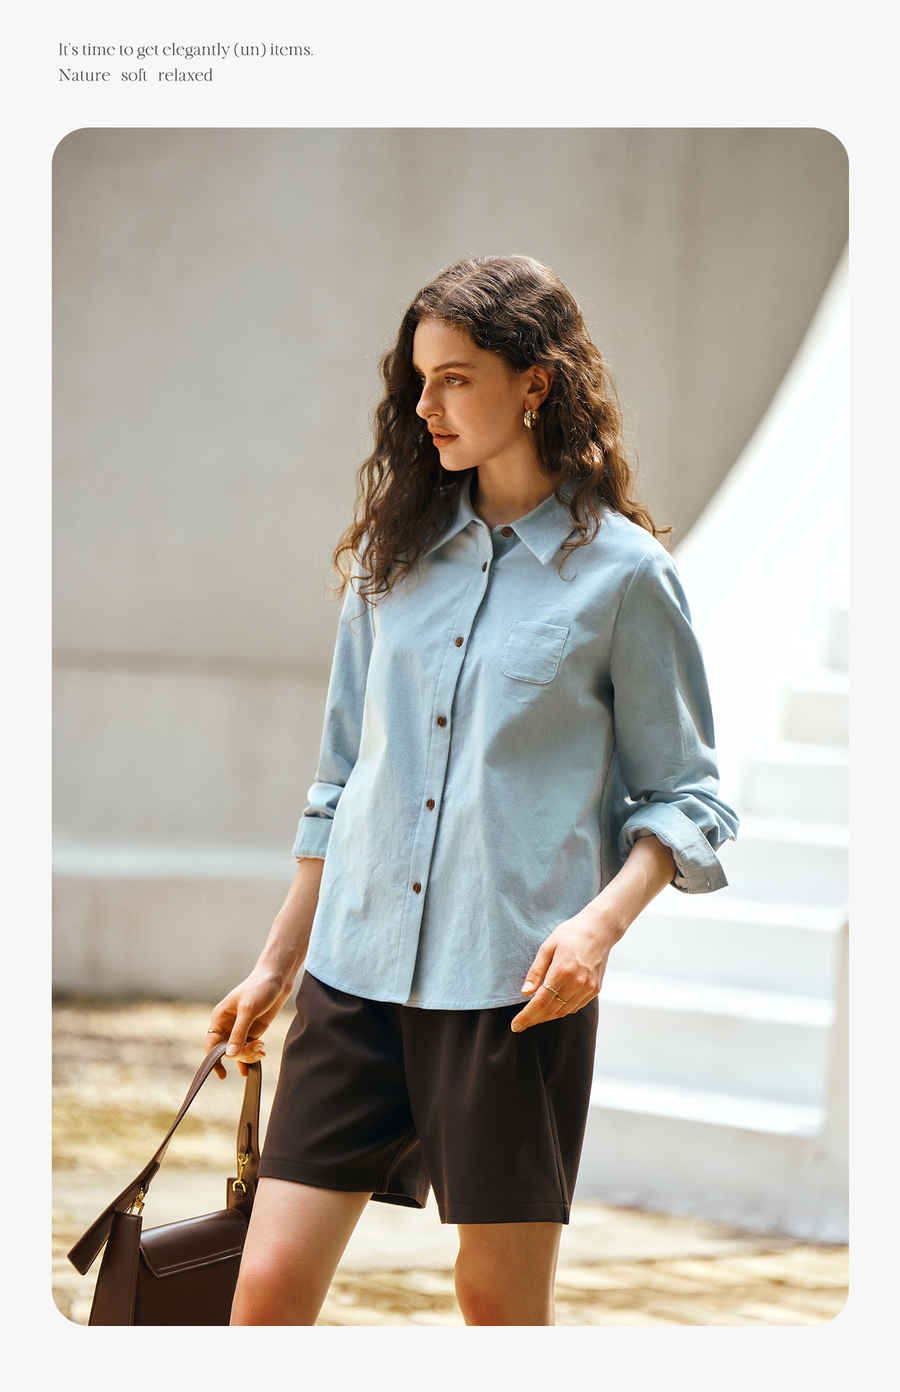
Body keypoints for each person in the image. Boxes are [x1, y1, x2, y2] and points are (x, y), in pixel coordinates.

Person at [205, 255, 739, 1326]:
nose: (426, 406)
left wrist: (596, 930)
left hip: (511, 989)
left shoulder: (626, 576)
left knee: (497, 1303)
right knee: (263, 1288)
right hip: (355, 974)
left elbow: (687, 798)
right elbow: (341, 780)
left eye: (455, 378)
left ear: (535, 384)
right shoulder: (391, 558)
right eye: (420, 380)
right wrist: (276, 963)